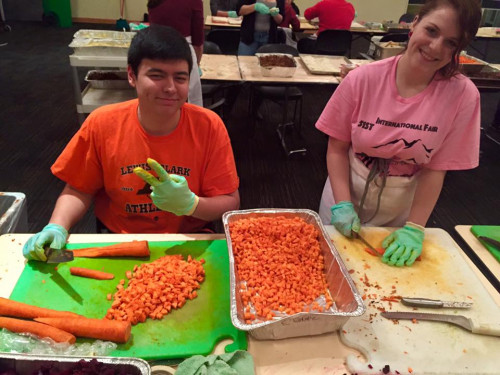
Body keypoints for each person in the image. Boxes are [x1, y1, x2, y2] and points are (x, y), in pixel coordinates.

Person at [22, 25, 240, 261]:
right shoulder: (102, 124)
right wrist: (56, 226)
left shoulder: (209, 126)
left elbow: (230, 202)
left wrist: (191, 205)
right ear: (131, 75)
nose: (169, 88)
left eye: (180, 78)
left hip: (190, 237)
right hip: (121, 239)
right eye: (156, 76)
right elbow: (78, 189)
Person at [316, 0, 481, 267]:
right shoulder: (363, 79)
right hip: (347, 189)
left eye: (451, 43)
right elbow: (336, 149)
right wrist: (342, 205)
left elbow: (436, 169)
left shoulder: (462, 96)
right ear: (413, 24)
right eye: (432, 31)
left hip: (404, 205)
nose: (436, 47)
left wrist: (415, 228)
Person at [147, 0, 204, 107]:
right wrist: (196, 63)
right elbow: (198, 42)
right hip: (182, 53)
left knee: (158, 98)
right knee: (184, 102)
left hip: (156, 52)